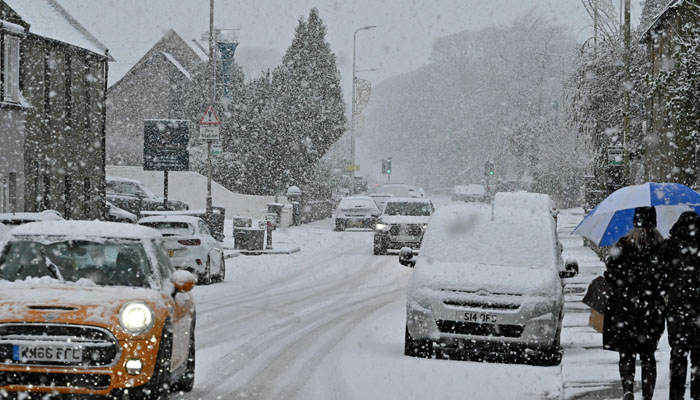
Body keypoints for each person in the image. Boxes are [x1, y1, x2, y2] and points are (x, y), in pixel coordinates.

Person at [604, 206, 666, 400]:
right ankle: (648, 395)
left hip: (625, 308)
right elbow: (665, 277)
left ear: (634, 222)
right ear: (654, 224)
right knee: (648, 355)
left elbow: (610, 275)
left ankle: (628, 389)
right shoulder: (661, 247)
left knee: (627, 353)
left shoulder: (623, 244)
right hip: (651, 308)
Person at [662, 211, 700, 400]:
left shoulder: (669, 246)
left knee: (678, 353)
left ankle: (676, 394)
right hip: (698, 308)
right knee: (698, 355)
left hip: (677, 308)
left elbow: (662, 276)